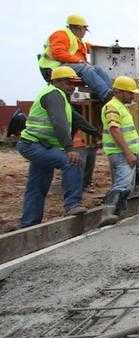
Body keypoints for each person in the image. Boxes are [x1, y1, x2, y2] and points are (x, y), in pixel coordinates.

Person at [17, 66, 99, 228]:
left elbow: (77, 120)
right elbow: (59, 122)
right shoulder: (53, 95)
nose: (72, 87)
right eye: (69, 83)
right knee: (73, 162)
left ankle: (29, 224)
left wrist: (96, 132)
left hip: (39, 146)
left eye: (75, 84)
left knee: (37, 185)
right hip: (34, 145)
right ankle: (72, 205)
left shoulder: (61, 97)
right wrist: (69, 149)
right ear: (57, 81)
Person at [37, 14, 114, 102]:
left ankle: (111, 93)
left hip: (66, 66)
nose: (85, 32)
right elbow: (58, 53)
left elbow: (90, 48)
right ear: (79, 28)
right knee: (85, 68)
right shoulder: (61, 34)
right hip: (54, 68)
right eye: (85, 30)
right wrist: (79, 61)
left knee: (97, 68)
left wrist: (109, 49)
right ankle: (106, 95)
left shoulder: (75, 39)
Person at [99, 76, 139, 227]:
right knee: (123, 183)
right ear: (119, 91)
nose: (132, 95)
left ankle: (118, 212)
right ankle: (108, 213)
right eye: (129, 93)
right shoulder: (112, 107)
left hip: (125, 152)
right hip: (121, 153)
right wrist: (128, 153)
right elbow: (114, 130)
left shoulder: (121, 107)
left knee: (127, 184)